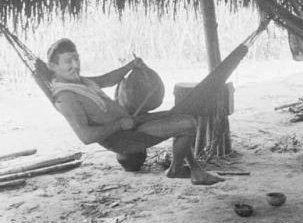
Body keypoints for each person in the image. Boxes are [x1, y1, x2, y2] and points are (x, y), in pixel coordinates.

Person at [47, 38, 224, 185]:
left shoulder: (78, 82)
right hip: (124, 138)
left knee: (181, 116)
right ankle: (177, 170)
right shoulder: (66, 96)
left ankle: (195, 171)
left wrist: (130, 66)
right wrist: (120, 124)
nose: (76, 65)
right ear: (53, 66)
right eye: (68, 61)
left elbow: (107, 79)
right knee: (187, 124)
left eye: (77, 59)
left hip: (131, 124)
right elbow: (85, 136)